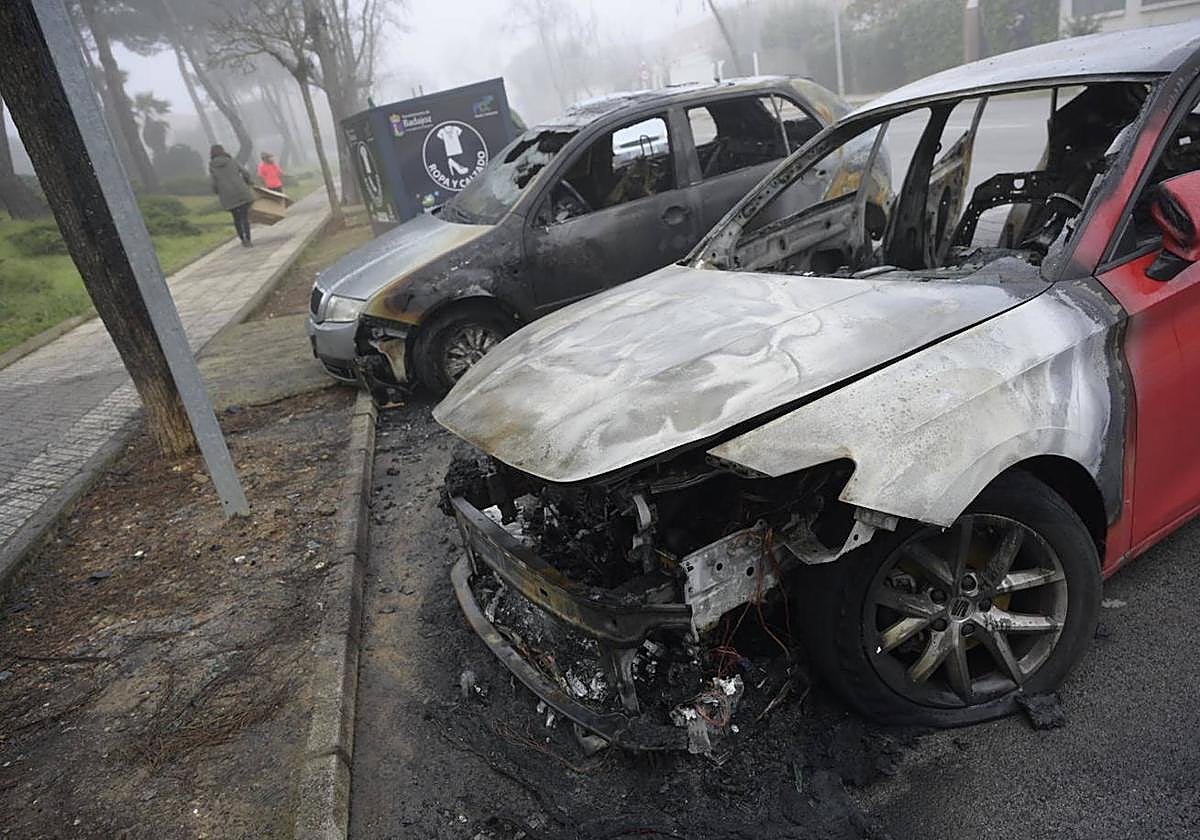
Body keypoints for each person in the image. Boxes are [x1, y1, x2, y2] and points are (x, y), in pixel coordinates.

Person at [209, 144, 255, 247]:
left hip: (227, 195)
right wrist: (248, 182)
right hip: (241, 191)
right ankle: (248, 239)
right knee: (244, 217)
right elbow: (245, 172)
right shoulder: (232, 161)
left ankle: (242, 239)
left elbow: (213, 182)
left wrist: (217, 191)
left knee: (236, 218)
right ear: (223, 151)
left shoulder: (212, 166)